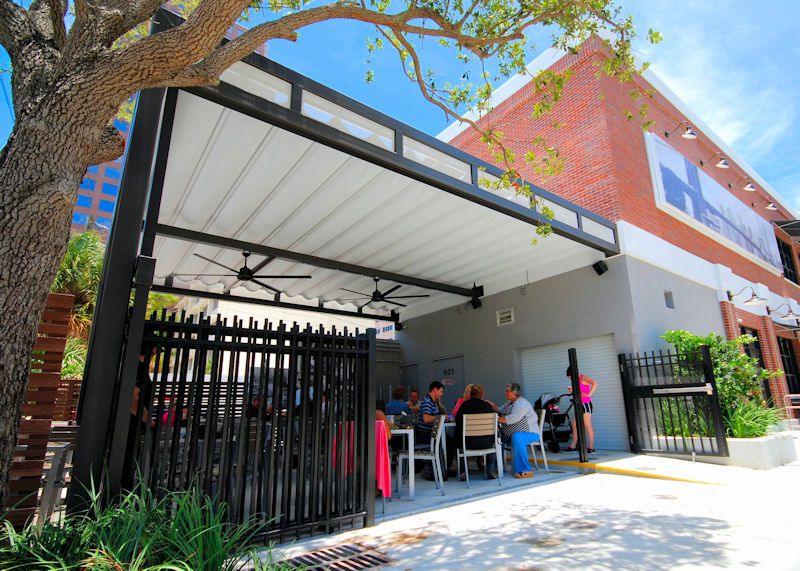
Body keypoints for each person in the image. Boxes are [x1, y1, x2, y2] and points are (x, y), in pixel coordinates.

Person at [455, 384, 498, 480]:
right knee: (494, 441)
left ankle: (463, 472)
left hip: (467, 444)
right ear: (482, 394)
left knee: (458, 438)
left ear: (470, 394)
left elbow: (457, 423)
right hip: (486, 443)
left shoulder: (464, 406)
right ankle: (490, 469)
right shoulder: (487, 406)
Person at [498, 383, 540, 479]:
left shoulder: (522, 403)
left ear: (514, 392)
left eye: (507, 391)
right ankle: (496, 468)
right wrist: (490, 405)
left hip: (530, 433)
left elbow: (514, 418)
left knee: (518, 437)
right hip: (513, 434)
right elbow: (499, 410)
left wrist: (496, 419)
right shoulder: (509, 403)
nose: (505, 393)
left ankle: (524, 470)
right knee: (497, 439)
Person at [566, 366, 598, 453]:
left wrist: (589, 394)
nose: (571, 379)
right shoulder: (575, 381)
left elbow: (595, 383)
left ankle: (591, 448)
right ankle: (573, 446)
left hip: (585, 404)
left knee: (587, 425)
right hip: (579, 404)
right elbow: (579, 393)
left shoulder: (583, 377)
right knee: (574, 425)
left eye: (571, 377)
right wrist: (572, 391)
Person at [416, 381, 445, 446]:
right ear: (435, 390)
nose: (442, 394)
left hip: (428, 435)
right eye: (441, 391)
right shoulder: (427, 402)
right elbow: (426, 419)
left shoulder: (433, 402)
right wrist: (441, 417)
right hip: (426, 436)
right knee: (447, 441)